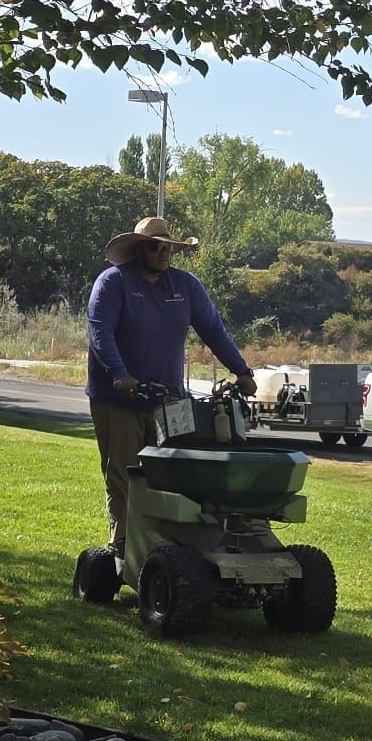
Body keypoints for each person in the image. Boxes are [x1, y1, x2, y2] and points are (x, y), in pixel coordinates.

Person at [86, 215, 257, 552]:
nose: (164, 253)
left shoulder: (186, 286)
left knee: (172, 475)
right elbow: (100, 332)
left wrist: (242, 371)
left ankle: (165, 545)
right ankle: (123, 545)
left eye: (169, 247)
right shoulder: (113, 283)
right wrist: (119, 374)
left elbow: (213, 331)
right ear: (138, 249)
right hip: (118, 399)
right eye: (155, 247)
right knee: (124, 475)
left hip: (169, 401)